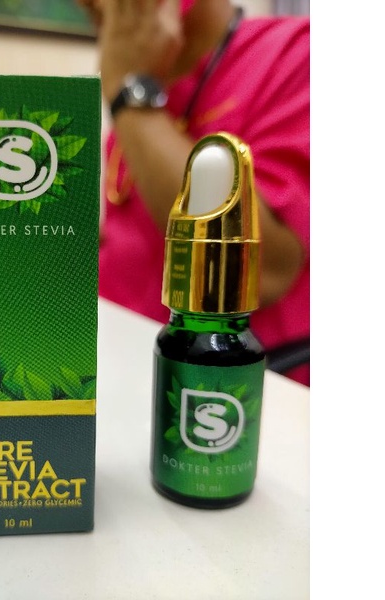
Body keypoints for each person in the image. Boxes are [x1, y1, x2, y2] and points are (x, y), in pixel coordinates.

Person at [78, 0, 310, 385]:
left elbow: (264, 272)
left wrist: (129, 93)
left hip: (207, 381)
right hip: (111, 354)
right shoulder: (156, 81)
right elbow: (133, 238)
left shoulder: (297, 53)